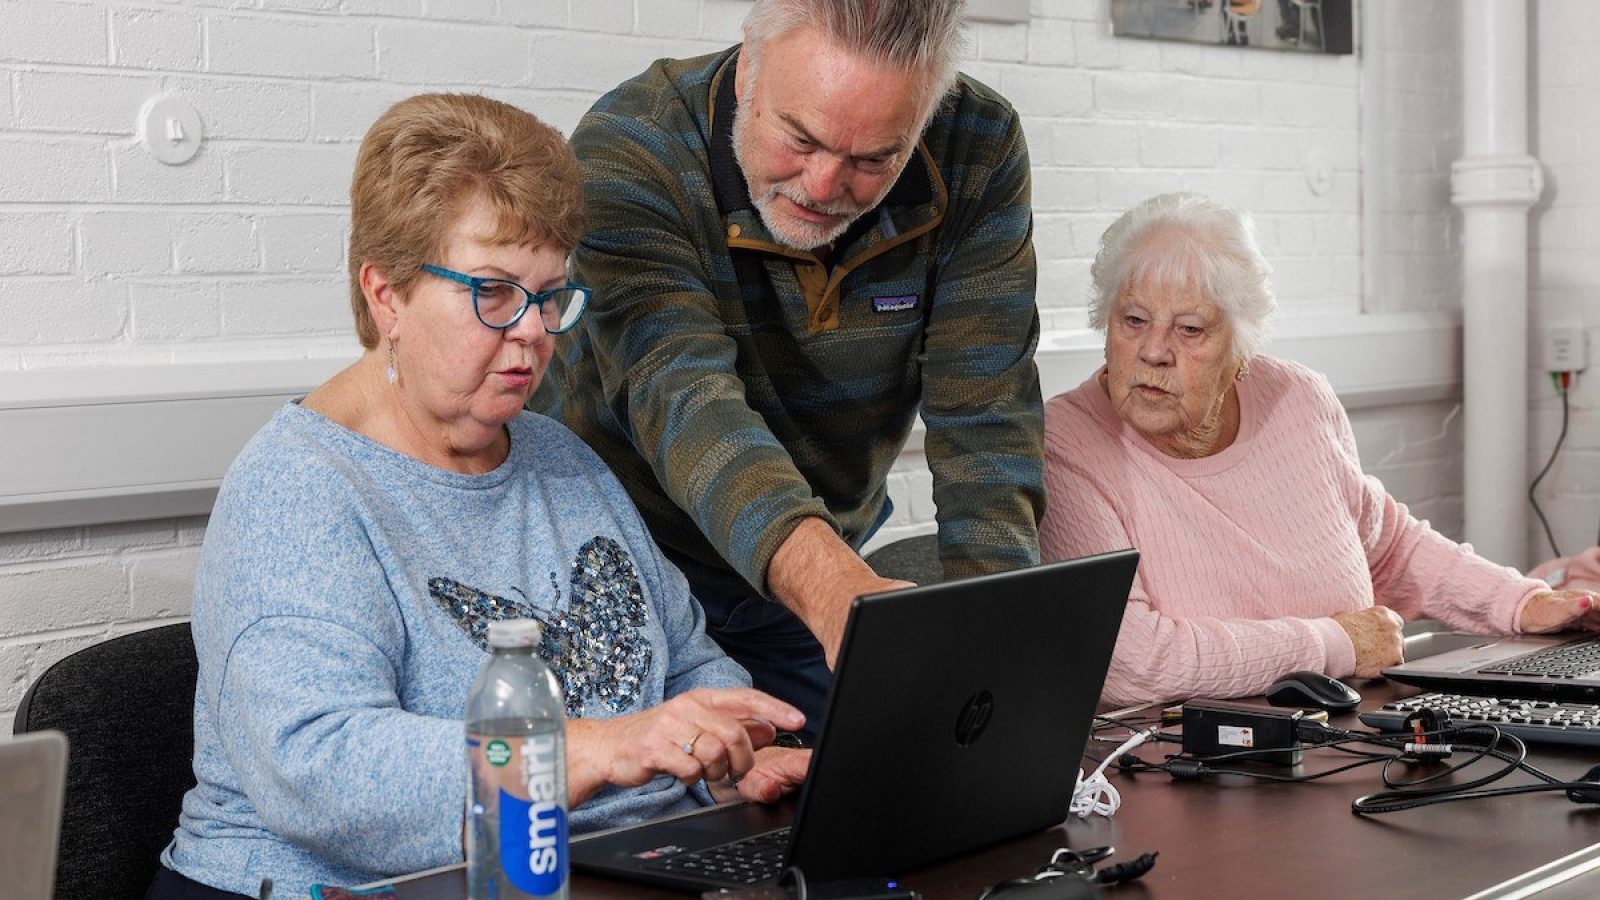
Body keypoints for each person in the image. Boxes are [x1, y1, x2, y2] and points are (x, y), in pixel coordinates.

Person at [149, 94, 809, 900]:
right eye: (493, 292)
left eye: (548, 295)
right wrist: (594, 750)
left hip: (589, 870)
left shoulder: (558, 457)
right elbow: (322, 770)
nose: (532, 331)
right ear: (386, 293)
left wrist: (730, 758)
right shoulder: (300, 489)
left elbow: (684, 662)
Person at [532, 0, 1046, 738]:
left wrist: (994, 663)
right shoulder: (633, 144)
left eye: (875, 160)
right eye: (799, 138)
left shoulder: (979, 146)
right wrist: (836, 589)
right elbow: (684, 399)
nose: (823, 184)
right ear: (749, 64)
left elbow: (987, 420)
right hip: (619, 580)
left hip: (795, 596)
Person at [1039, 192, 1600, 708]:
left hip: (1345, 740)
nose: (1154, 351)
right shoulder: (1067, 444)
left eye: (1190, 329)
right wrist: (1336, 643)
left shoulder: (1296, 398)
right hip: (1188, 775)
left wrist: (1519, 602)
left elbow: (1389, 546)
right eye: (1133, 320)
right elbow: (1132, 663)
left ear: (1241, 351)